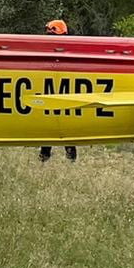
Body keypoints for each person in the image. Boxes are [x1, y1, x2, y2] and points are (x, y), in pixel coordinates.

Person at [41, 18, 77, 162]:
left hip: (64, 96)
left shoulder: (69, 52)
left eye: (52, 34)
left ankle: (70, 160)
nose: (49, 37)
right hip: (51, 94)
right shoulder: (46, 51)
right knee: (48, 131)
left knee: (67, 132)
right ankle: (44, 158)